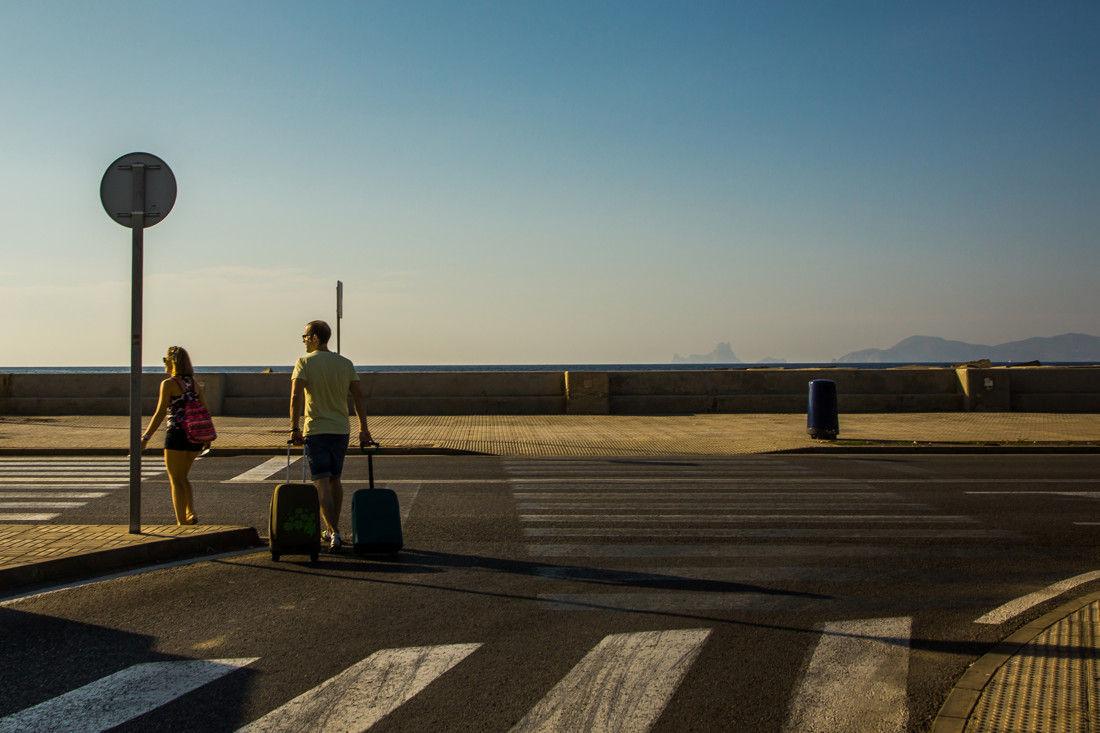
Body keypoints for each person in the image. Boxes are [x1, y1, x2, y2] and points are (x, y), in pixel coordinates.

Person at [290, 320, 372, 551]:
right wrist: (363, 429)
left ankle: (333, 531)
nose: (304, 340)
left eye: (306, 336)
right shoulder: (345, 363)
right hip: (340, 430)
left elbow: (296, 396)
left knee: (321, 482)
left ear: (315, 338)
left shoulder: (304, 362)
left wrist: (294, 427)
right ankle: (332, 529)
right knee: (335, 479)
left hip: (316, 430)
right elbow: (358, 397)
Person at [141, 346, 211, 525]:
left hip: (177, 436)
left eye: (165, 360)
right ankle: (190, 512)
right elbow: (204, 410)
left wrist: (146, 437)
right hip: (195, 437)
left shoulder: (169, 384)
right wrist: (207, 437)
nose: (164, 364)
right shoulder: (194, 383)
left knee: (176, 480)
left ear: (173, 362)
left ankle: (181, 522)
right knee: (183, 477)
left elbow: (159, 413)